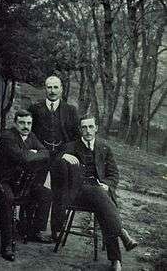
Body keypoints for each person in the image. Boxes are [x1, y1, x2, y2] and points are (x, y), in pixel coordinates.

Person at [55, 115, 138, 271]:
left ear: (96, 128)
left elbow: (114, 175)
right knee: (102, 200)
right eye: (84, 127)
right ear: (80, 129)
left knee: (103, 207)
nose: (87, 131)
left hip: (100, 193)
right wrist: (63, 156)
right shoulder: (71, 146)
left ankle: (116, 260)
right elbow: (54, 162)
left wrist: (106, 185)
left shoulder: (104, 148)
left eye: (90, 127)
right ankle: (121, 235)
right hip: (78, 193)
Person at [0, 109, 52, 261]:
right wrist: (33, 153)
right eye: (22, 123)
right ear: (15, 123)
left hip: (19, 183)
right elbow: (23, 159)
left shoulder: (31, 136)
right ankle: (6, 245)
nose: (26, 126)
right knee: (8, 199)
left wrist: (32, 153)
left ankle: (33, 231)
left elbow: (46, 153)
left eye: (29, 123)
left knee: (45, 194)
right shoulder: (8, 137)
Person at [29, 75, 79, 241]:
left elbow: (74, 137)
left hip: (61, 156)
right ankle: (33, 229)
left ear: (61, 89)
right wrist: (36, 150)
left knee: (60, 192)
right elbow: (29, 133)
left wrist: (65, 152)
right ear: (45, 89)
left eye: (56, 87)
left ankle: (57, 229)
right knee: (36, 189)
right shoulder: (35, 109)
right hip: (41, 155)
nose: (52, 91)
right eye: (49, 87)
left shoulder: (70, 110)